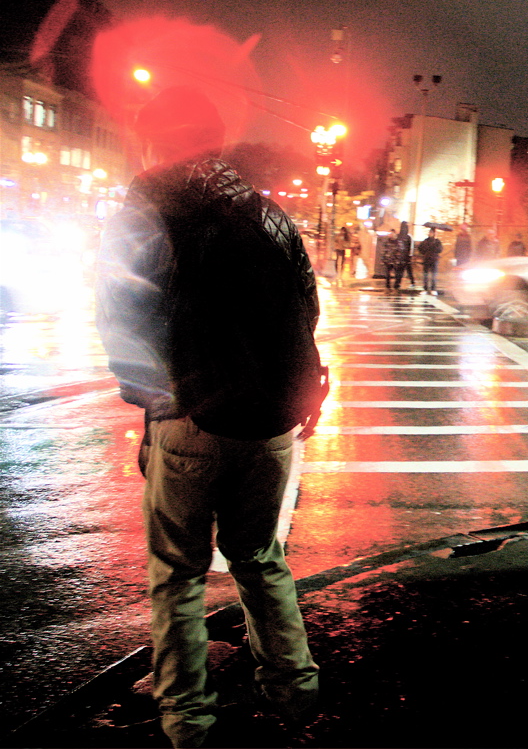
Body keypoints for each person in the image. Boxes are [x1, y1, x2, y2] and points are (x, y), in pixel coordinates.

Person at [95, 86, 324, 747]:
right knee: (260, 557)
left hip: (189, 417)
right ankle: (295, 688)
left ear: (157, 143)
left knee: (177, 576)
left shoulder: (147, 209)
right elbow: (307, 308)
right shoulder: (270, 214)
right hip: (273, 423)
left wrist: (154, 401)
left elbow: (121, 315)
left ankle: (187, 718)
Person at [417, 227, 443, 293]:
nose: (430, 233)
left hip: (434, 260)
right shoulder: (426, 241)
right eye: (430, 232)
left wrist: (434, 247)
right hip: (427, 259)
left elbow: (440, 249)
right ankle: (425, 288)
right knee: (425, 275)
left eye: (432, 232)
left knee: (433, 275)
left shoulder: (437, 241)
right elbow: (420, 248)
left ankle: (433, 289)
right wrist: (424, 252)